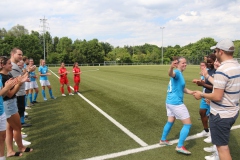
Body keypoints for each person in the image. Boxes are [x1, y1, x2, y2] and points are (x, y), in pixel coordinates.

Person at [193, 39, 240, 160]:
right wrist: (208, 77)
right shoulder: (236, 66)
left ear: (221, 52)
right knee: (222, 146)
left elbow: (217, 96)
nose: (215, 53)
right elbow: (223, 85)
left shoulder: (222, 70)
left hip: (221, 114)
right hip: (232, 111)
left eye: (216, 50)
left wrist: (201, 95)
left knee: (222, 149)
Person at [159, 57, 194, 155]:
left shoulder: (180, 74)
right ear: (177, 64)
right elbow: (171, 74)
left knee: (170, 121)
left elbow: (182, 88)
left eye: (185, 63)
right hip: (176, 103)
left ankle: (163, 140)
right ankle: (180, 146)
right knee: (187, 124)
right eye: (183, 63)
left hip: (169, 102)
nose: (185, 64)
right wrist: (170, 67)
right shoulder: (177, 73)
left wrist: (192, 92)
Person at [0, 56, 33, 157]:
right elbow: (9, 94)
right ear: (3, 65)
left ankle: (10, 151)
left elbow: (14, 88)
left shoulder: (7, 74)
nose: (11, 65)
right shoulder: (2, 77)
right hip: (8, 104)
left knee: (9, 128)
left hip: (10, 103)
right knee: (17, 127)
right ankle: (20, 147)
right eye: (9, 63)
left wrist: (20, 81)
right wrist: (19, 84)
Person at [193, 54, 216, 137]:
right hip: (205, 95)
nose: (208, 64)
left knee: (212, 116)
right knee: (202, 112)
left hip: (213, 96)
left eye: (210, 62)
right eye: (207, 62)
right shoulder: (208, 71)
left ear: (215, 61)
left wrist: (203, 85)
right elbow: (205, 83)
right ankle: (206, 131)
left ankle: (212, 134)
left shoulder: (217, 71)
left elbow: (216, 86)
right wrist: (200, 82)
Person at [0, 57, 18, 160]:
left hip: (1, 110)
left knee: (2, 137)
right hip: (5, 106)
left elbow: (3, 94)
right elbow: (9, 94)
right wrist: (17, 84)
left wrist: (8, 87)